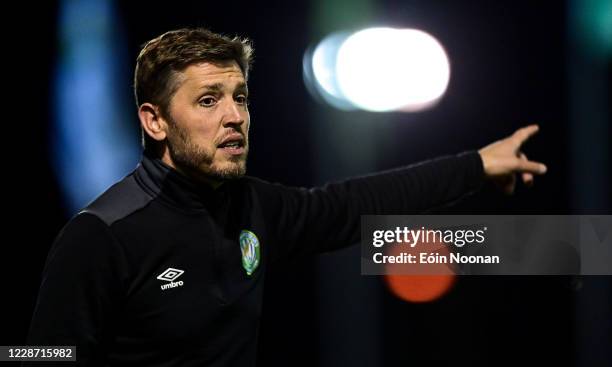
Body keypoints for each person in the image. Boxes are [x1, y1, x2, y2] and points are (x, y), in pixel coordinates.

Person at [24, 28, 547, 366]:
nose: (234, 117)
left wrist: (477, 165)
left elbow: (358, 201)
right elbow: (38, 356)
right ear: (154, 120)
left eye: (240, 98)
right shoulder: (101, 235)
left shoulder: (255, 207)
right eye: (209, 100)